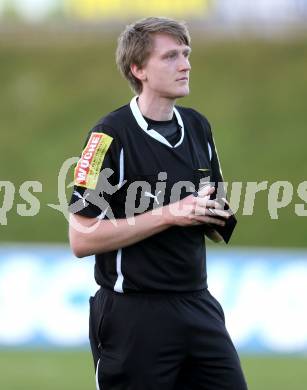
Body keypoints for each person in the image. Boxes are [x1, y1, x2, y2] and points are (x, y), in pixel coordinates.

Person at [68, 16, 247, 390]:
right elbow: (81, 238)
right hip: (134, 315)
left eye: (186, 54)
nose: (185, 64)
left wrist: (209, 215)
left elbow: (213, 221)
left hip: (198, 305)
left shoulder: (198, 126)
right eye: (170, 57)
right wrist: (169, 215)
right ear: (138, 69)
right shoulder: (108, 136)